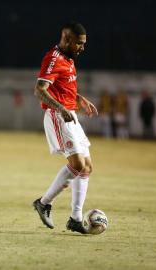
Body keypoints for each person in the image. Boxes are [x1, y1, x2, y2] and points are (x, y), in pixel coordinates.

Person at [32, 22, 98, 234]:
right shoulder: (53, 58)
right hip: (59, 116)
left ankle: (76, 219)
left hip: (70, 114)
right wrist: (61, 108)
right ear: (67, 40)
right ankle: (44, 202)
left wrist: (79, 99)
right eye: (79, 43)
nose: (82, 47)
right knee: (77, 164)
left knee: (86, 167)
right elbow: (40, 90)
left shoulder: (69, 60)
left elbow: (63, 88)